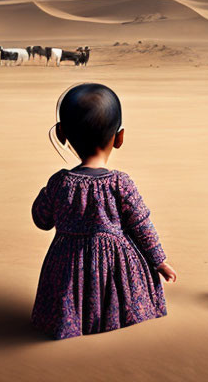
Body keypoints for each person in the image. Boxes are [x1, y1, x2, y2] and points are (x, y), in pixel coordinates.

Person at [31, 83, 176, 339]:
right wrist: (159, 261)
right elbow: (141, 225)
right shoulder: (120, 183)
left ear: (63, 135)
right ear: (119, 138)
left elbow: (41, 220)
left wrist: (48, 192)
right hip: (115, 265)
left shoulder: (61, 183)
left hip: (67, 263)